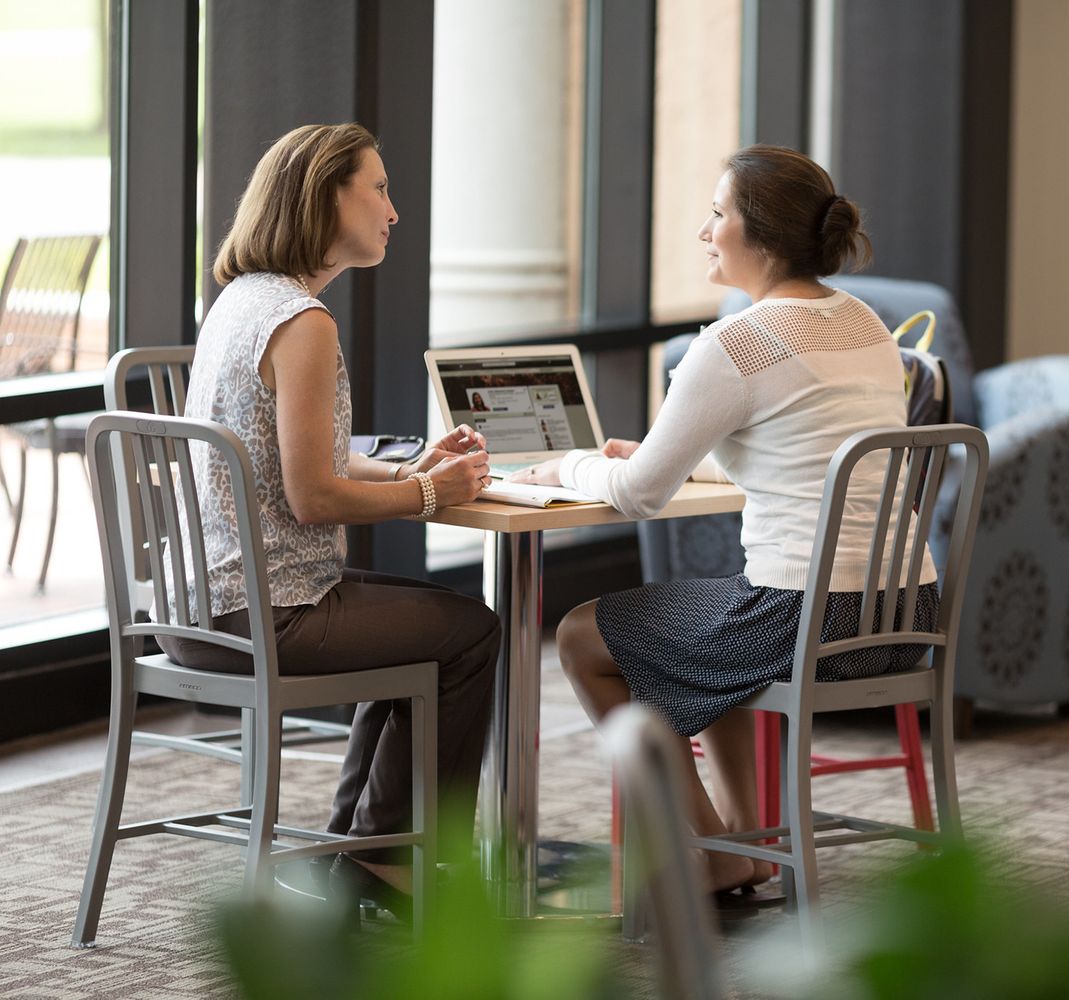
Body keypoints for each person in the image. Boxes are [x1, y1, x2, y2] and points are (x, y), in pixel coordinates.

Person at [509, 145, 939, 895]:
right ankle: (742, 841)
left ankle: (712, 846)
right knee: (700, 635)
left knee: (583, 635)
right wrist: (654, 455)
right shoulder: (866, 326)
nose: (705, 230)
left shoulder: (737, 342)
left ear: (761, 232)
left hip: (809, 615)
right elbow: (799, 451)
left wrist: (567, 467)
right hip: (904, 612)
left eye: (718, 214)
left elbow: (638, 496)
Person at [158, 123, 500, 919]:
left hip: (200, 607)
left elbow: (296, 456)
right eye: (378, 188)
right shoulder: (304, 323)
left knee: (422, 628)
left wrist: (411, 470)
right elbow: (314, 496)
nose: (394, 210)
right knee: (472, 631)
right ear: (324, 197)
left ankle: (361, 854)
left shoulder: (244, 302)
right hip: (267, 613)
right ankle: (385, 864)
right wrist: (431, 497)